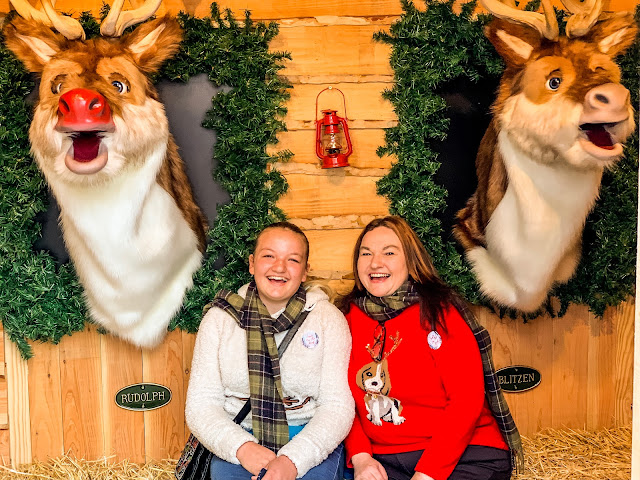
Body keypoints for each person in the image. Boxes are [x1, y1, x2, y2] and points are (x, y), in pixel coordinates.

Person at [337, 216, 523, 480]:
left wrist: (428, 473)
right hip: (382, 460)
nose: (375, 263)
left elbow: (466, 401)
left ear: (410, 261)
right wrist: (361, 457)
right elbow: (339, 399)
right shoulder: (345, 318)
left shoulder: (439, 312)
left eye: (389, 252)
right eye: (365, 254)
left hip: (465, 455)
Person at [185, 221, 354, 480]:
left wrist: (293, 460)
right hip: (240, 438)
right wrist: (242, 448)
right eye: (269, 256)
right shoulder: (219, 319)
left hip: (308, 437)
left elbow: (337, 406)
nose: (279, 267)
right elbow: (201, 404)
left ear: (305, 271)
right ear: (252, 263)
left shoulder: (327, 319)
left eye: (293, 260)